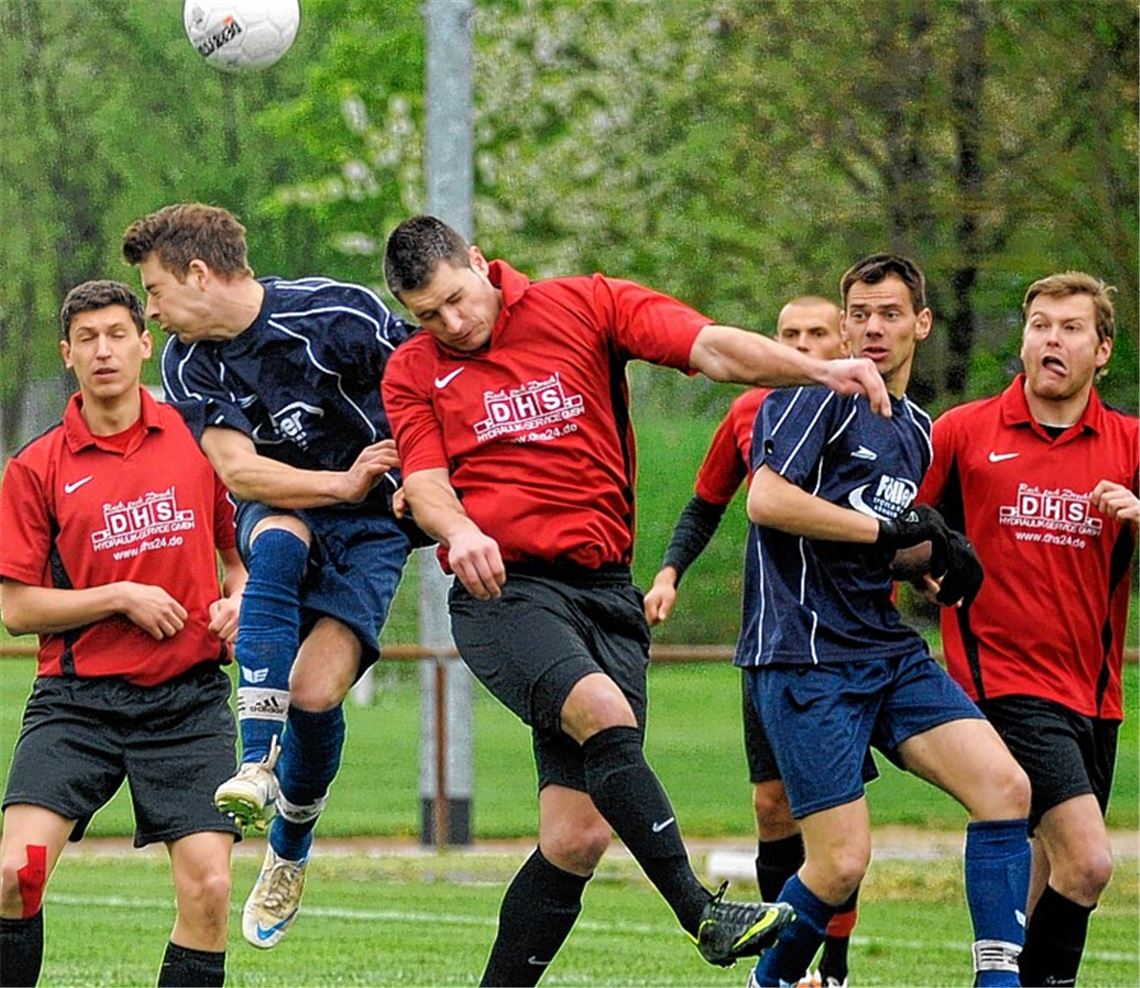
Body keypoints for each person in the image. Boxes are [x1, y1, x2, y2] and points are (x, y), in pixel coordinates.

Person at [379, 214, 892, 985]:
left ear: (480, 263)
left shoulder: (584, 305)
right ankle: (702, 913)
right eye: (428, 315)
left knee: (575, 838)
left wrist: (818, 371)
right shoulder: (414, 370)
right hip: (505, 594)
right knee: (602, 712)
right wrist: (459, 528)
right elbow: (423, 482)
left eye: (457, 300)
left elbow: (711, 346)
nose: (452, 324)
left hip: (607, 598)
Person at [122, 203, 421, 950]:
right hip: (290, 503)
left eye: (155, 290)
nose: (151, 311)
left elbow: (433, 387)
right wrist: (338, 483)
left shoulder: (337, 313)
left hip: (376, 525)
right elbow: (238, 472)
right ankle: (256, 761)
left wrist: (426, 482)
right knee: (278, 544)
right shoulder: (187, 361)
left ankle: (290, 846)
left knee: (316, 696)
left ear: (198, 273)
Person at [739, 254, 1032, 988]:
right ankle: (768, 981)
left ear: (921, 325)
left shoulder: (918, 428)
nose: (873, 327)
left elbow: (880, 533)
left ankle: (998, 982)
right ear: (843, 328)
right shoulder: (815, 395)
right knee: (840, 862)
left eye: (891, 314)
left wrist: (934, 554)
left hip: (884, 648)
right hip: (806, 653)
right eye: (860, 314)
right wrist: (886, 533)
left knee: (1005, 789)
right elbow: (767, 501)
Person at [0, 280, 246, 987]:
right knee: (16, 873)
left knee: (209, 890)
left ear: (145, 343)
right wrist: (119, 597)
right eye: (87, 339)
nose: (103, 351)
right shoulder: (36, 467)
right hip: (77, 703)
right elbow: (17, 610)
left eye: (116, 334)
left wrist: (241, 601)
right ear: (67, 355)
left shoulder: (200, 441)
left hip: (187, 703)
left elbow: (240, 561)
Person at [916, 271, 1138, 987]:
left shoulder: (1130, 443)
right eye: (1040, 324)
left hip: (1094, 697)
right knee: (1089, 861)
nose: (1052, 339)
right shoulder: (964, 431)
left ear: (1102, 350)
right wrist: (919, 568)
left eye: (1071, 328)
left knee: (1049, 876)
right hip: (1002, 685)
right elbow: (901, 527)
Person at [644, 296, 860, 988]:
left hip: (850, 641)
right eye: (789, 334)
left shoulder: (871, 415)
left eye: (817, 333)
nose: (802, 345)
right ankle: (786, 963)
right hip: (772, 638)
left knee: (835, 816)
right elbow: (705, 504)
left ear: (845, 340)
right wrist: (670, 573)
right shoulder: (750, 412)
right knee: (772, 805)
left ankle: (834, 970)